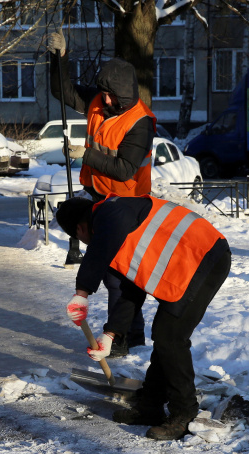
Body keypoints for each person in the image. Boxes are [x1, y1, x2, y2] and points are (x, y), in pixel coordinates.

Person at [57, 195, 231, 441]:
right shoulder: (118, 230)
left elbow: (99, 248)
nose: (85, 244)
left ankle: (184, 413)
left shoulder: (111, 212)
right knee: (165, 335)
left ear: (79, 228)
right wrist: (111, 334)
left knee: (170, 336)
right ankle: (151, 406)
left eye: (80, 239)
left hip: (205, 256)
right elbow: (131, 291)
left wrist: (82, 292)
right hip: (188, 264)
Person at [47, 30, 156, 358]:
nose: (104, 100)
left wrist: (86, 155)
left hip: (128, 203)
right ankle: (129, 336)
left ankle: (121, 338)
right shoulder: (98, 98)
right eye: (103, 93)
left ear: (125, 96)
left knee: (117, 275)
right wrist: (59, 60)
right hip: (98, 197)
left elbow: (124, 169)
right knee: (117, 275)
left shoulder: (142, 123)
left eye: (110, 97)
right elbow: (62, 90)